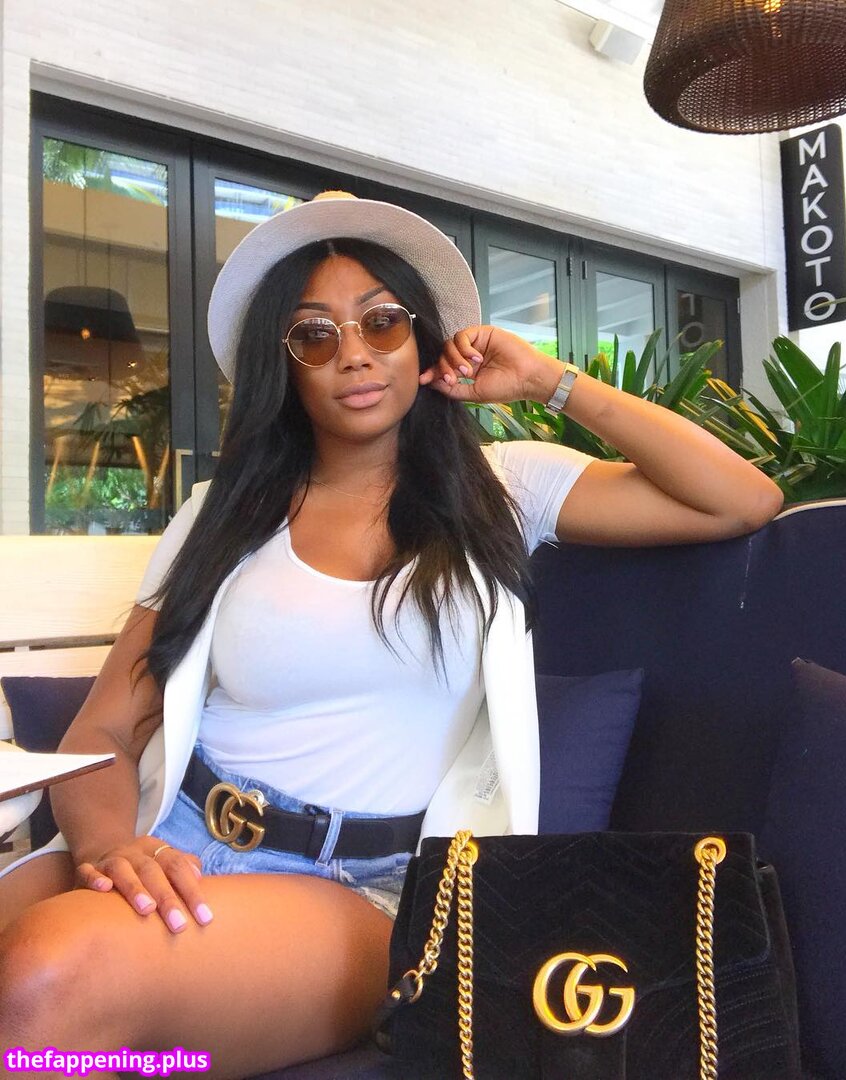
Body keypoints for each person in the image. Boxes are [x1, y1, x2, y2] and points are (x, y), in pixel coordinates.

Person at [0, 191, 783, 1077]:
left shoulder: (504, 488)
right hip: (167, 831)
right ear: (283, 367)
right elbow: (106, 728)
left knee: (47, 975)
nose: (355, 354)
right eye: (314, 335)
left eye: (381, 322)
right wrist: (110, 848)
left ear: (422, 341)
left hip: (360, 890)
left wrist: (546, 382)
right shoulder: (220, 515)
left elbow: (740, 499)